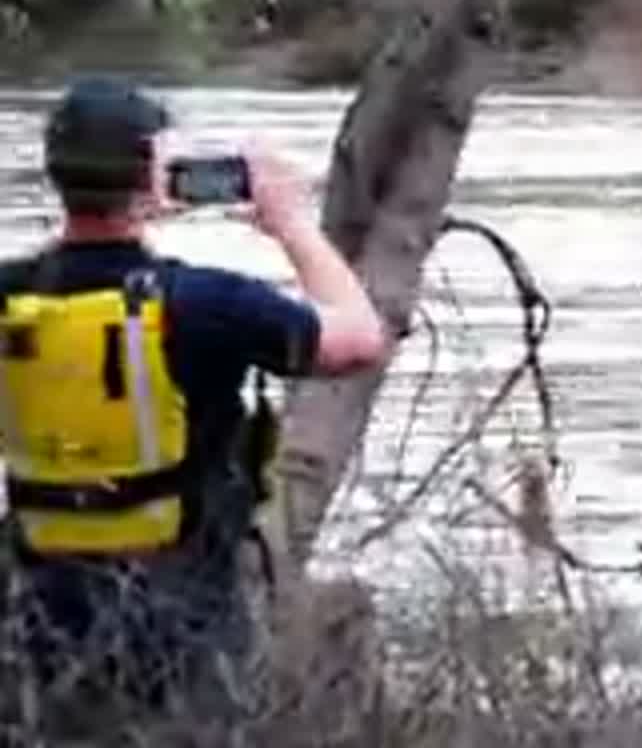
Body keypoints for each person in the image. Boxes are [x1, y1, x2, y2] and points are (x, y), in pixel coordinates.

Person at [4, 78, 389, 739]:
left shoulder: (12, 299)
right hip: (183, 613)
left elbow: (60, 278)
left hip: (37, 612)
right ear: (153, 176)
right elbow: (359, 338)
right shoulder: (206, 303)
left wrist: (105, 229)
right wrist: (292, 223)